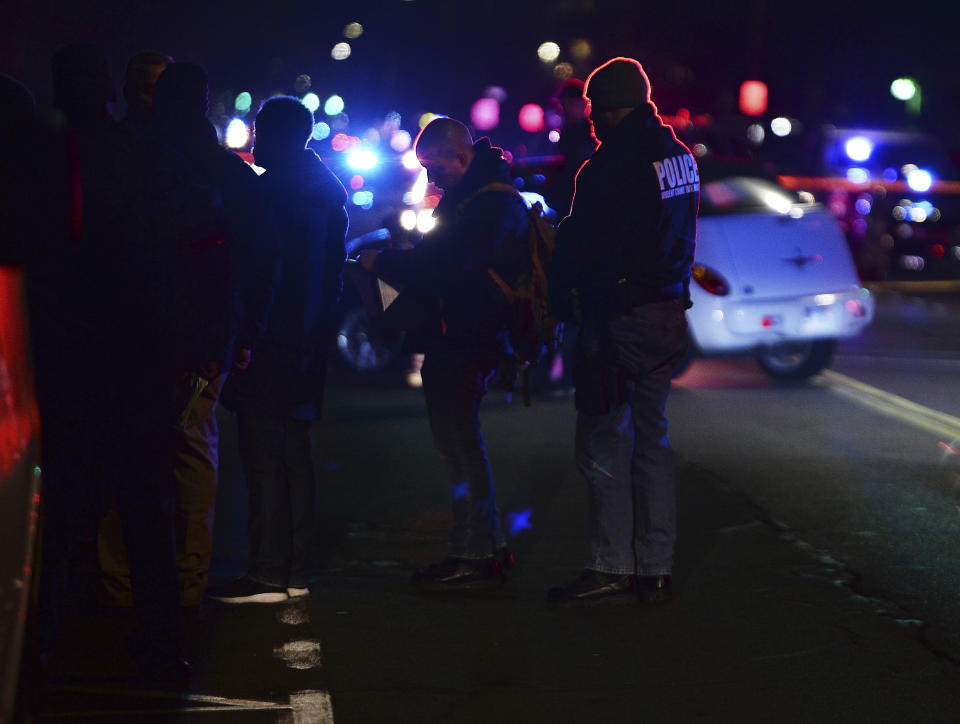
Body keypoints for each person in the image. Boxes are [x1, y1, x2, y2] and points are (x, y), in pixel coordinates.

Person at [97, 61, 270, 609]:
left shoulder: (127, 160)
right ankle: (188, 579)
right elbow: (248, 265)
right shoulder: (227, 174)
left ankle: (120, 581)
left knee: (123, 452)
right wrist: (237, 336)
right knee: (192, 450)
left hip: (128, 328)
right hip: (203, 333)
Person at [547, 57, 698, 604]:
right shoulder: (678, 157)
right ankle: (655, 566)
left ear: (610, 108)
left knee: (602, 440)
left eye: (594, 110)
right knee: (652, 441)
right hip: (667, 314)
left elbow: (585, 247)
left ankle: (611, 566)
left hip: (619, 315)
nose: (590, 120)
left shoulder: (610, 165)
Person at [358, 117, 528, 587]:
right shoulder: (482, 196)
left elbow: (443, 264)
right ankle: (485, 547)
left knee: (459, 447)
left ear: (462, 157)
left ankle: (474, 553)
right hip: (464, 337)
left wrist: (385, 261)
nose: (431, 180)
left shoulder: (488, 203)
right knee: (460, 444)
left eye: (435, 168)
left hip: (466, 340)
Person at [208, 96, 346, 604]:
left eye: (262, 131)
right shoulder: (322, 193)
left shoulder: (276, 194)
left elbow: (266, 273)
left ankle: (267, 570)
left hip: (275, 340)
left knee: (264, 453)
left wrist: (249, 337)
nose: (255, 141)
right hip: (306, 340)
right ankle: (293, 569)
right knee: (294, 452)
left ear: (280, 135)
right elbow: (321, 278)